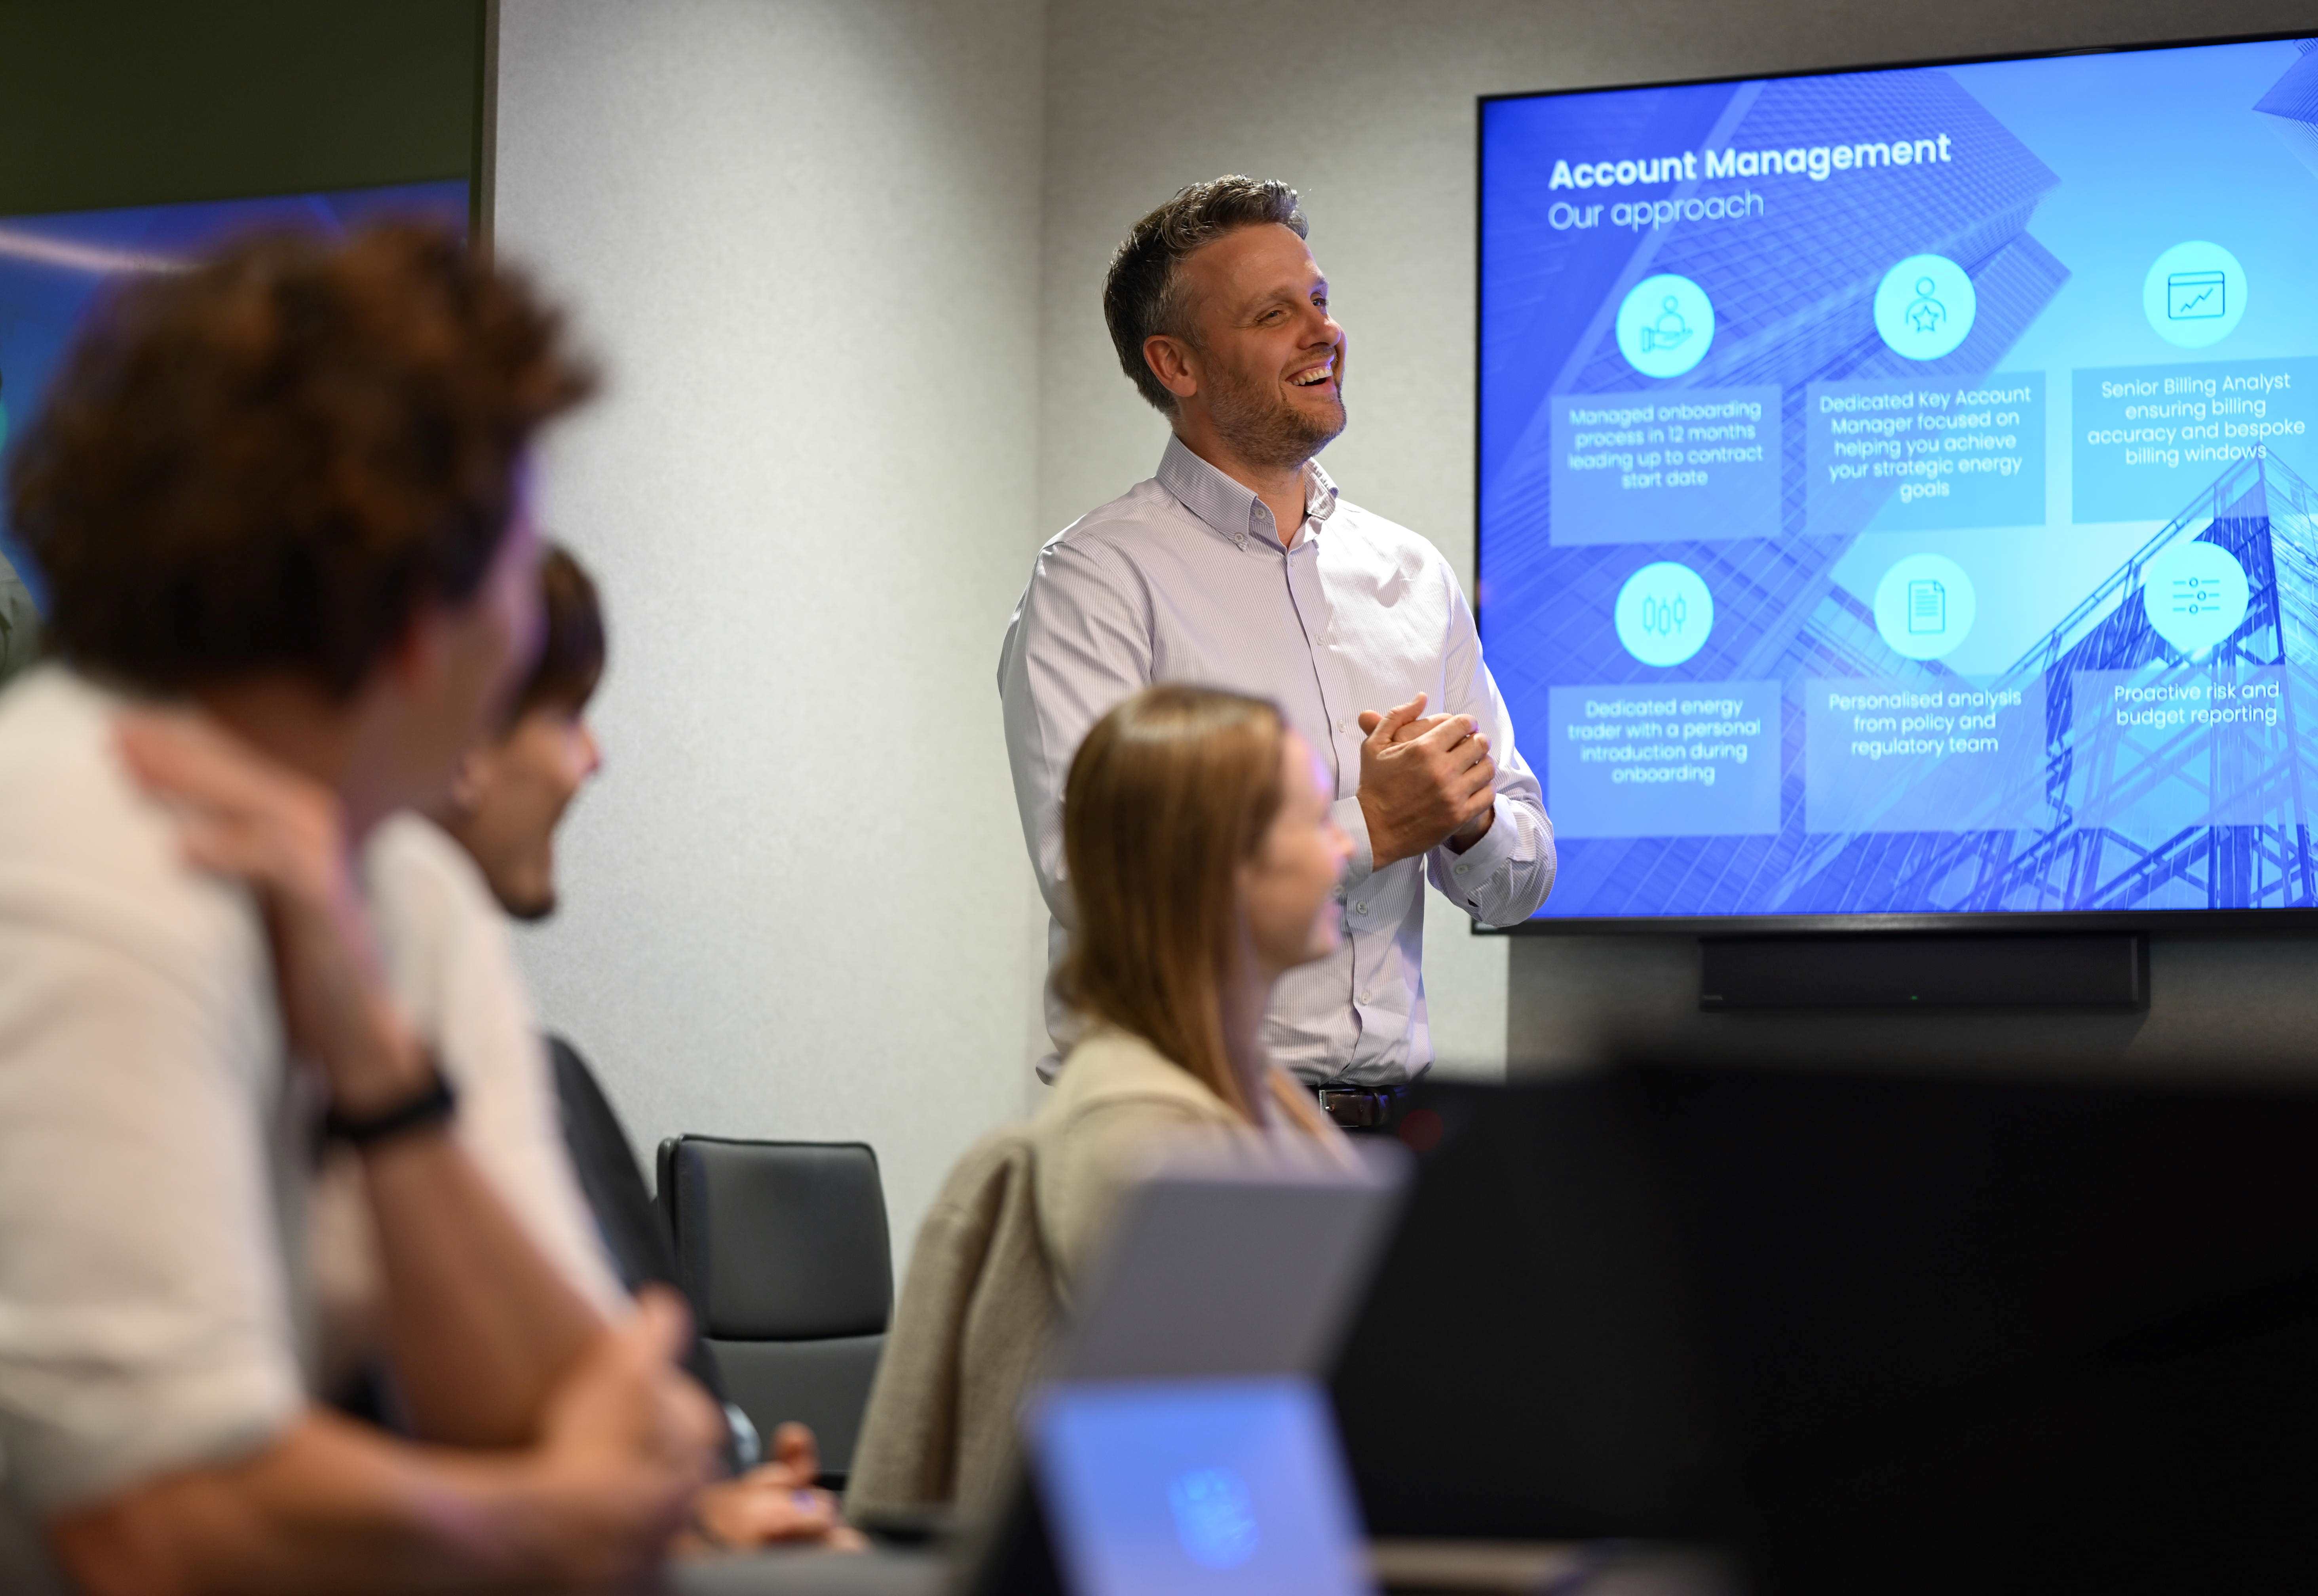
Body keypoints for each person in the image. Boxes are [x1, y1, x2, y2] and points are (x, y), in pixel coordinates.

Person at [0, 222, 722, 1592]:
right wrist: (521, 1524)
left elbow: (598, 1410)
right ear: (416, 615)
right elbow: (153, 1527)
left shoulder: (395, 886)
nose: (524, 627)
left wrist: (379, 1064)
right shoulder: (74, 849)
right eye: (518, 570)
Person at [999, 175, 1557, 1126]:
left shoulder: (1413, 575)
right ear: (1177, 365)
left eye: (1322, 302)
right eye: (1274, 314)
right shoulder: (1097, 581)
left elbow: (1519, 881)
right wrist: (1368, 825)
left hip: (1393, 1138)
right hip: (1182, 1137)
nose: (1323, 332)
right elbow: (1101, 892)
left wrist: (1465, 824)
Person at [367, 540, 856, 1551]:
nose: (591, 760)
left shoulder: (554, 1083)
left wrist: (738, 1489)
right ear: (461, 744)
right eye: (566, 715)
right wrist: (685, 1520)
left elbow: (661, 1397)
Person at [847, 683, 1358, 1520]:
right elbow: (1231, 1440)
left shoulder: (1239, 1095)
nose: (1344, 847)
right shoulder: (1137, 1135)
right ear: (1222, 865)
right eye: (1317, 822)